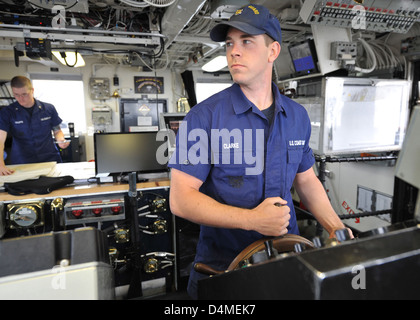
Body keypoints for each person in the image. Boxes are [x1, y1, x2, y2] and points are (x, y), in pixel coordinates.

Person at [168, 4, 352, 299]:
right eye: (230, 43)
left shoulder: (297, 117)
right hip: (224, 268)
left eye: (247, 41)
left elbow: (306, 181)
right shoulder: (204, 117)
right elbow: (180, 200)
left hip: (285, 258)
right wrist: (252, 220)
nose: (233, 51)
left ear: (273, 51)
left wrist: (336, 229)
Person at [0, 76, 70, 175]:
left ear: (32, 90)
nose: (21, 98)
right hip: (22, 162)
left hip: (49, 159)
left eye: (24, 94)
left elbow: (57, 130)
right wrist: (1, 165)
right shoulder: (7, 112)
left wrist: (61, 140)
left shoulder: (48, 108)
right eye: (16, 95)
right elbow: (0, 139)